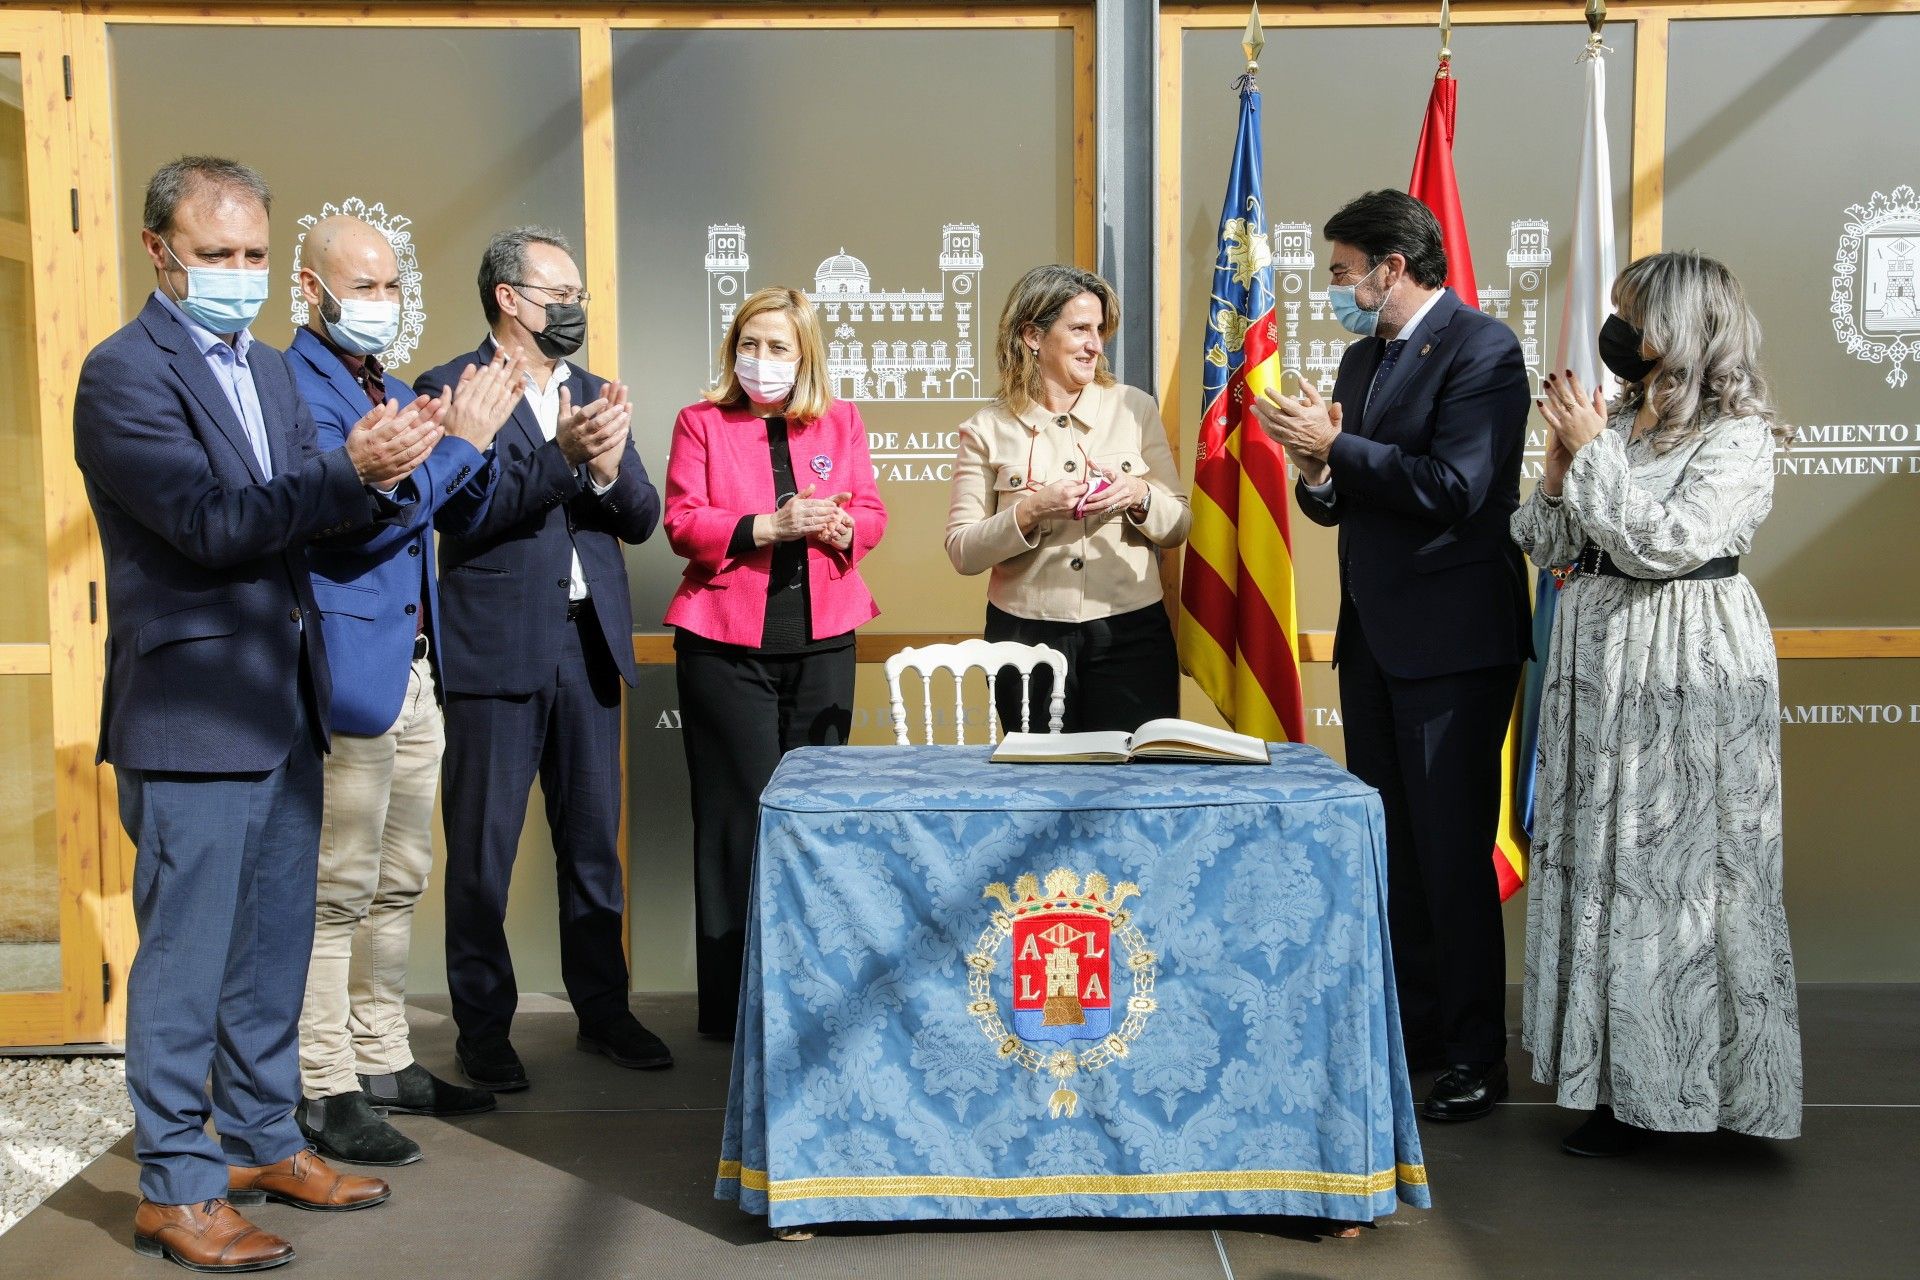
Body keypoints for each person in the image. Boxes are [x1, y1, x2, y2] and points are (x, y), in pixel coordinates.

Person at [76, 156, 425, 1271]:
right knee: (187, 956)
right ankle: (177, 1186)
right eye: (215, 254)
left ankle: (267, 1139)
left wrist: (392, 470)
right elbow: (211, 520)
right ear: (159, 251)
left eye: (254, 257)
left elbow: (307, 520)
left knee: (272, 944)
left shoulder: (273, 372)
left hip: (283, 698)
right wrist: (348, 475)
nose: (237, 273)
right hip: (190, 710)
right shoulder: (122, 374)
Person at [1253, 189, 1531, 1122]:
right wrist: (1318, 469)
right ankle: (1410, 1031)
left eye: (1341, 273)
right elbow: (1348, 495)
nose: (1334, 290)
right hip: (1374, 639)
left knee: (1452, 855)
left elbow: (1457, 486)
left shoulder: (1484, 350)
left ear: (1391, 268)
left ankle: (1473, 1055)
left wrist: (1346, 451)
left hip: (1453, 646)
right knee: (1395, 851)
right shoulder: (1358, 354)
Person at [1515, 251, 1802, 1155]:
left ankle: (1695, 1098)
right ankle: (1615, 1085)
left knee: (1678, 871)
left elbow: (1666, 542)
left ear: (1679, 328)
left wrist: (1594, 452)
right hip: (1599, 659)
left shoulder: (1740, 432)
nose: (1620, 335)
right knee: (1605, 865)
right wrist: (1563, 463)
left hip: (1685, 661)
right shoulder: (1630, 420)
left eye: (1634, 317)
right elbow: (1546, 538)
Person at [288, 214, 525, 1166]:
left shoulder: (378, 382)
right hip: (348, 667)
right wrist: (456, 448)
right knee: (336, 884)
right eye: (363, 285)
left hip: (417, 662)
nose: (382, 303)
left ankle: (384, 1055)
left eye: (391, 284)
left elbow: (438, 507)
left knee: (400, 877)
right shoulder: (293, 387)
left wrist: (479, 438)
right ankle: (323, 1079)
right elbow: (357, 522)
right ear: (312, 291)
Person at [415, 226, 668, 1092]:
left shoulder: (595, 391)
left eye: (581, 295)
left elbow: (640, 517)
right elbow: (461, 517)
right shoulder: (451, 387)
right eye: (559, 294)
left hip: (587, 642)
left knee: (594, 844)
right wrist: (562, 462)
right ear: (508, 299)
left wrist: (602, 467)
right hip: (495, 651)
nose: (575, 309)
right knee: (483, 851)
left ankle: (604, 1011)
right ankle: (484, 1030)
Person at [664, 286, 888, 1037]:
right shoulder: (700, 422)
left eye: (778, 347)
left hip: (823, 644)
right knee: (736, 823)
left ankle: (813, 996)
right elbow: (682, 521)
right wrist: (769, 523)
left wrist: (840, 525)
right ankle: (730, 1013)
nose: (761, 360)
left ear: (805, 357)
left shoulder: (842, 420)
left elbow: (874, 515)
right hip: (725, 649)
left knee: (814, 822)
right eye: (749, 345)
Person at [945, 264, 1191, 734]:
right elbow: (962, 550)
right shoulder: (985, 427)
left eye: (1099, 330)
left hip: (1131, 634)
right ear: (1033, 335)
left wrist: (1139, 496)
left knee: (1135, 785)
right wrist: (1030, 510)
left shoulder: (1134, 408)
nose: (1095, 345)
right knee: (1041, 786)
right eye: (1080, 329)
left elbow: (1178, 523)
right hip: (1024, 639)